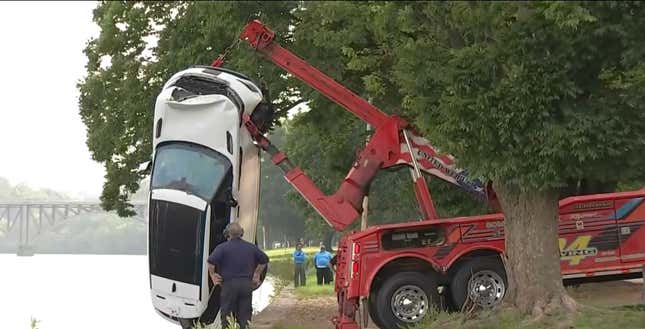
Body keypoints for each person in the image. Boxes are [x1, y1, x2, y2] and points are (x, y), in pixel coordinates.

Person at [207, 222, 269, 329]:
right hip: (246, 285)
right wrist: (256, 274)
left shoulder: (221, 248)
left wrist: (213, 275)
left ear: (227, 234)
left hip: (228, 285)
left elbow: (210, 262)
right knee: (245, 318)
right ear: (242, 233)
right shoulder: (251, 247)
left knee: (227, 317)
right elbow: (264, 260)